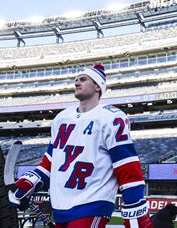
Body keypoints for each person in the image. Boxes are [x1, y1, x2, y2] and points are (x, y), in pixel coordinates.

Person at [8, 64, 153, 228]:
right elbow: (50, 162)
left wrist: (135, 206)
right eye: (76, 80)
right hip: (60, 205)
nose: (76, 83)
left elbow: (126, 166)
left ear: (98, 86)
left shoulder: (111, 117)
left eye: (83, 79)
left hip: (93, 202)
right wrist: (29, 183)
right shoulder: (62, 118)